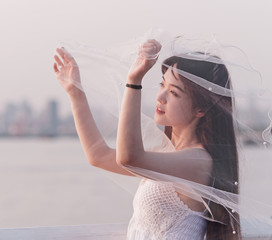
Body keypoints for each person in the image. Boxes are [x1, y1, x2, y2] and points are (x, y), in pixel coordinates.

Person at [53, 37, 271, 239]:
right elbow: (98, 155)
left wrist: (134, 80)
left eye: (174, 92)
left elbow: (129, 157)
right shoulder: (169, 155)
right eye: (162, 85)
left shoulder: (199, 162)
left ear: (201, 109)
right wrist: (75, 92)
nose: (160, 97)